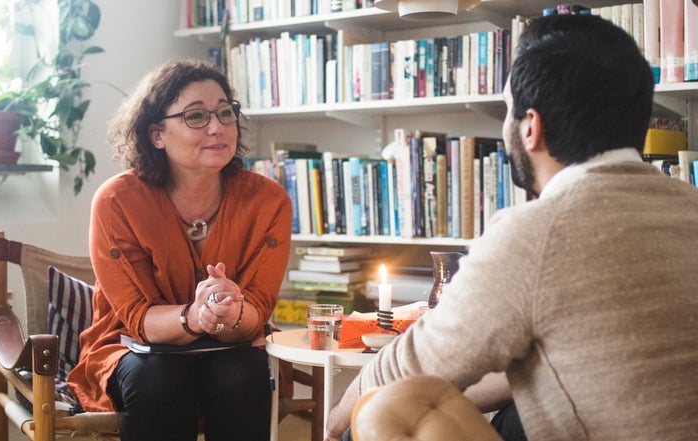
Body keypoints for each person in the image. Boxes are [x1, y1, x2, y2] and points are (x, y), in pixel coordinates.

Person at [326, 14, 698, 441]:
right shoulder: (689, 205)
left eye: (507, 110)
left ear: (530, 127)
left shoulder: (536, 233)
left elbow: (407, 367)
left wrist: (334, 425)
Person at [67, 59, 293, 441]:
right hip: (133, 349)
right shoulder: (117, 201)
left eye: (225, 112)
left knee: (243, 372)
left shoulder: (269, 201)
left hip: (232, 345)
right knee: (159, 378)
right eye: (196, 116)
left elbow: (259, 308)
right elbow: (138, 318)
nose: (218, 127)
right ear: (157, 134)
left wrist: (232, 312)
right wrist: (195, 316)